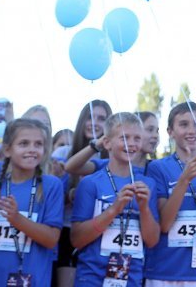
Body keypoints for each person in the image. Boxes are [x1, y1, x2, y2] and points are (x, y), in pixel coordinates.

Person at [0, 118, 64, 287]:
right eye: (24, 143)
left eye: (38, 144)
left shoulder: (51, 185)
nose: (32, 150)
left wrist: (17, 219)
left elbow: (51, 240)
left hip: (31, 280)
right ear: (7, 150)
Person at [144, 101, 196, 286]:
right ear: (170, 131)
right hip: (163, 271)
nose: (192, 130)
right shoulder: (158, 168)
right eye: (183, 124)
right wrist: (184, 180)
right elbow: (164, 224)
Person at [70, 112, 159, 287]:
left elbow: (152, 240)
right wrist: (113, 210)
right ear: (107, 143)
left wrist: (144, 209)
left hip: (131, 278)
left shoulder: (148, 184)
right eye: (124, 138)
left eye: (137, 138)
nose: (131, 144)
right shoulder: (90, 183)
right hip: (92, 278)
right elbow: (77, 239)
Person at [57, 100, 112, 287]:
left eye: (102, 118)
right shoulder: (64, 152)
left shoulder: (112, 158)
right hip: (68, 229)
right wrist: (72, 195)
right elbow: (48, 195)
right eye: (90, 117)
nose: (95, 123)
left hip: (101, 232)